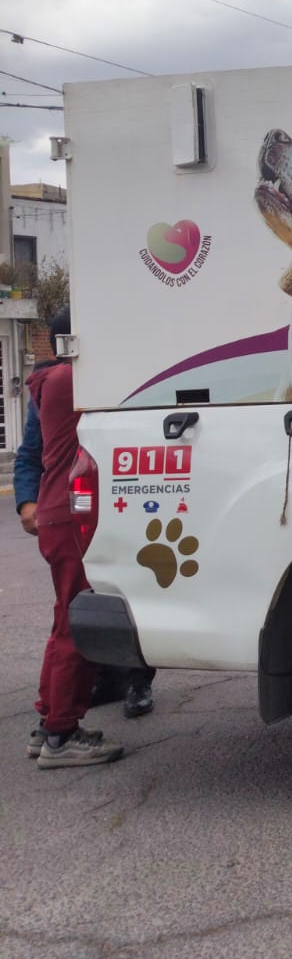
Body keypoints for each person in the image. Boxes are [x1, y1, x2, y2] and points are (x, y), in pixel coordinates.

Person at [21, 307, 128, 768]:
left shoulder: (53, 382)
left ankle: (48, 721)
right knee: (75, 624)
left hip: (55, 513)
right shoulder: (74, 381)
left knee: (64, 618)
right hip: (71, 514)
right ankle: (62, 735)